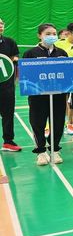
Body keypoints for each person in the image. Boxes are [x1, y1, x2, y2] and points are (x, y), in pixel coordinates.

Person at [23, 24, 68, 165]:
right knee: (38, 123)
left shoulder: (62, 53)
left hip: (58, 95)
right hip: (38, 96)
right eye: (48, 34)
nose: (52, 36)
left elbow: (68, 74)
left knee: (58, 122)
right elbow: (25, 76)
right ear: (39, 35)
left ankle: (55, 149)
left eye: (54, 33)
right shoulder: (30, 53)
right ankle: (41, 151)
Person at [0, 17, 20, 151]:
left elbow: (15, 58)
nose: (0, 25)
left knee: (8, 114)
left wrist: (14, 59)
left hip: (7, 86)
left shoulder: (10, 42)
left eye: (1, 23)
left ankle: (8, 141)